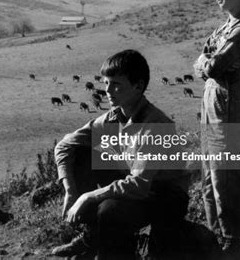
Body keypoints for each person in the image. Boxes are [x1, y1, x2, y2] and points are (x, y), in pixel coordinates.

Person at [53, 49, 189, 259]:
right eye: (106, 83)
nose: (108, 90)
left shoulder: (155, 125)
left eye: (117, 84)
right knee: (80, 154)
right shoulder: (110, 119)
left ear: (138, 86)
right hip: (132, 182)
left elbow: (140, 185)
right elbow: (64, 146)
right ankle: (92, 236)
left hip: (164, 194)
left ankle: (112, 250)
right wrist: (71, 191)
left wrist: (88, 196)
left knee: (109, 210)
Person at [193, 0, 240, 260]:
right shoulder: (224, 28)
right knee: (209, 179)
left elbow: (213, 65)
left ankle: (233, 246)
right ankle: (215, 239)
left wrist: (208, 62)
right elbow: (200, 64)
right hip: (213, 111)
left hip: (229, 116)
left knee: (225, 181)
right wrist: (207, 62)